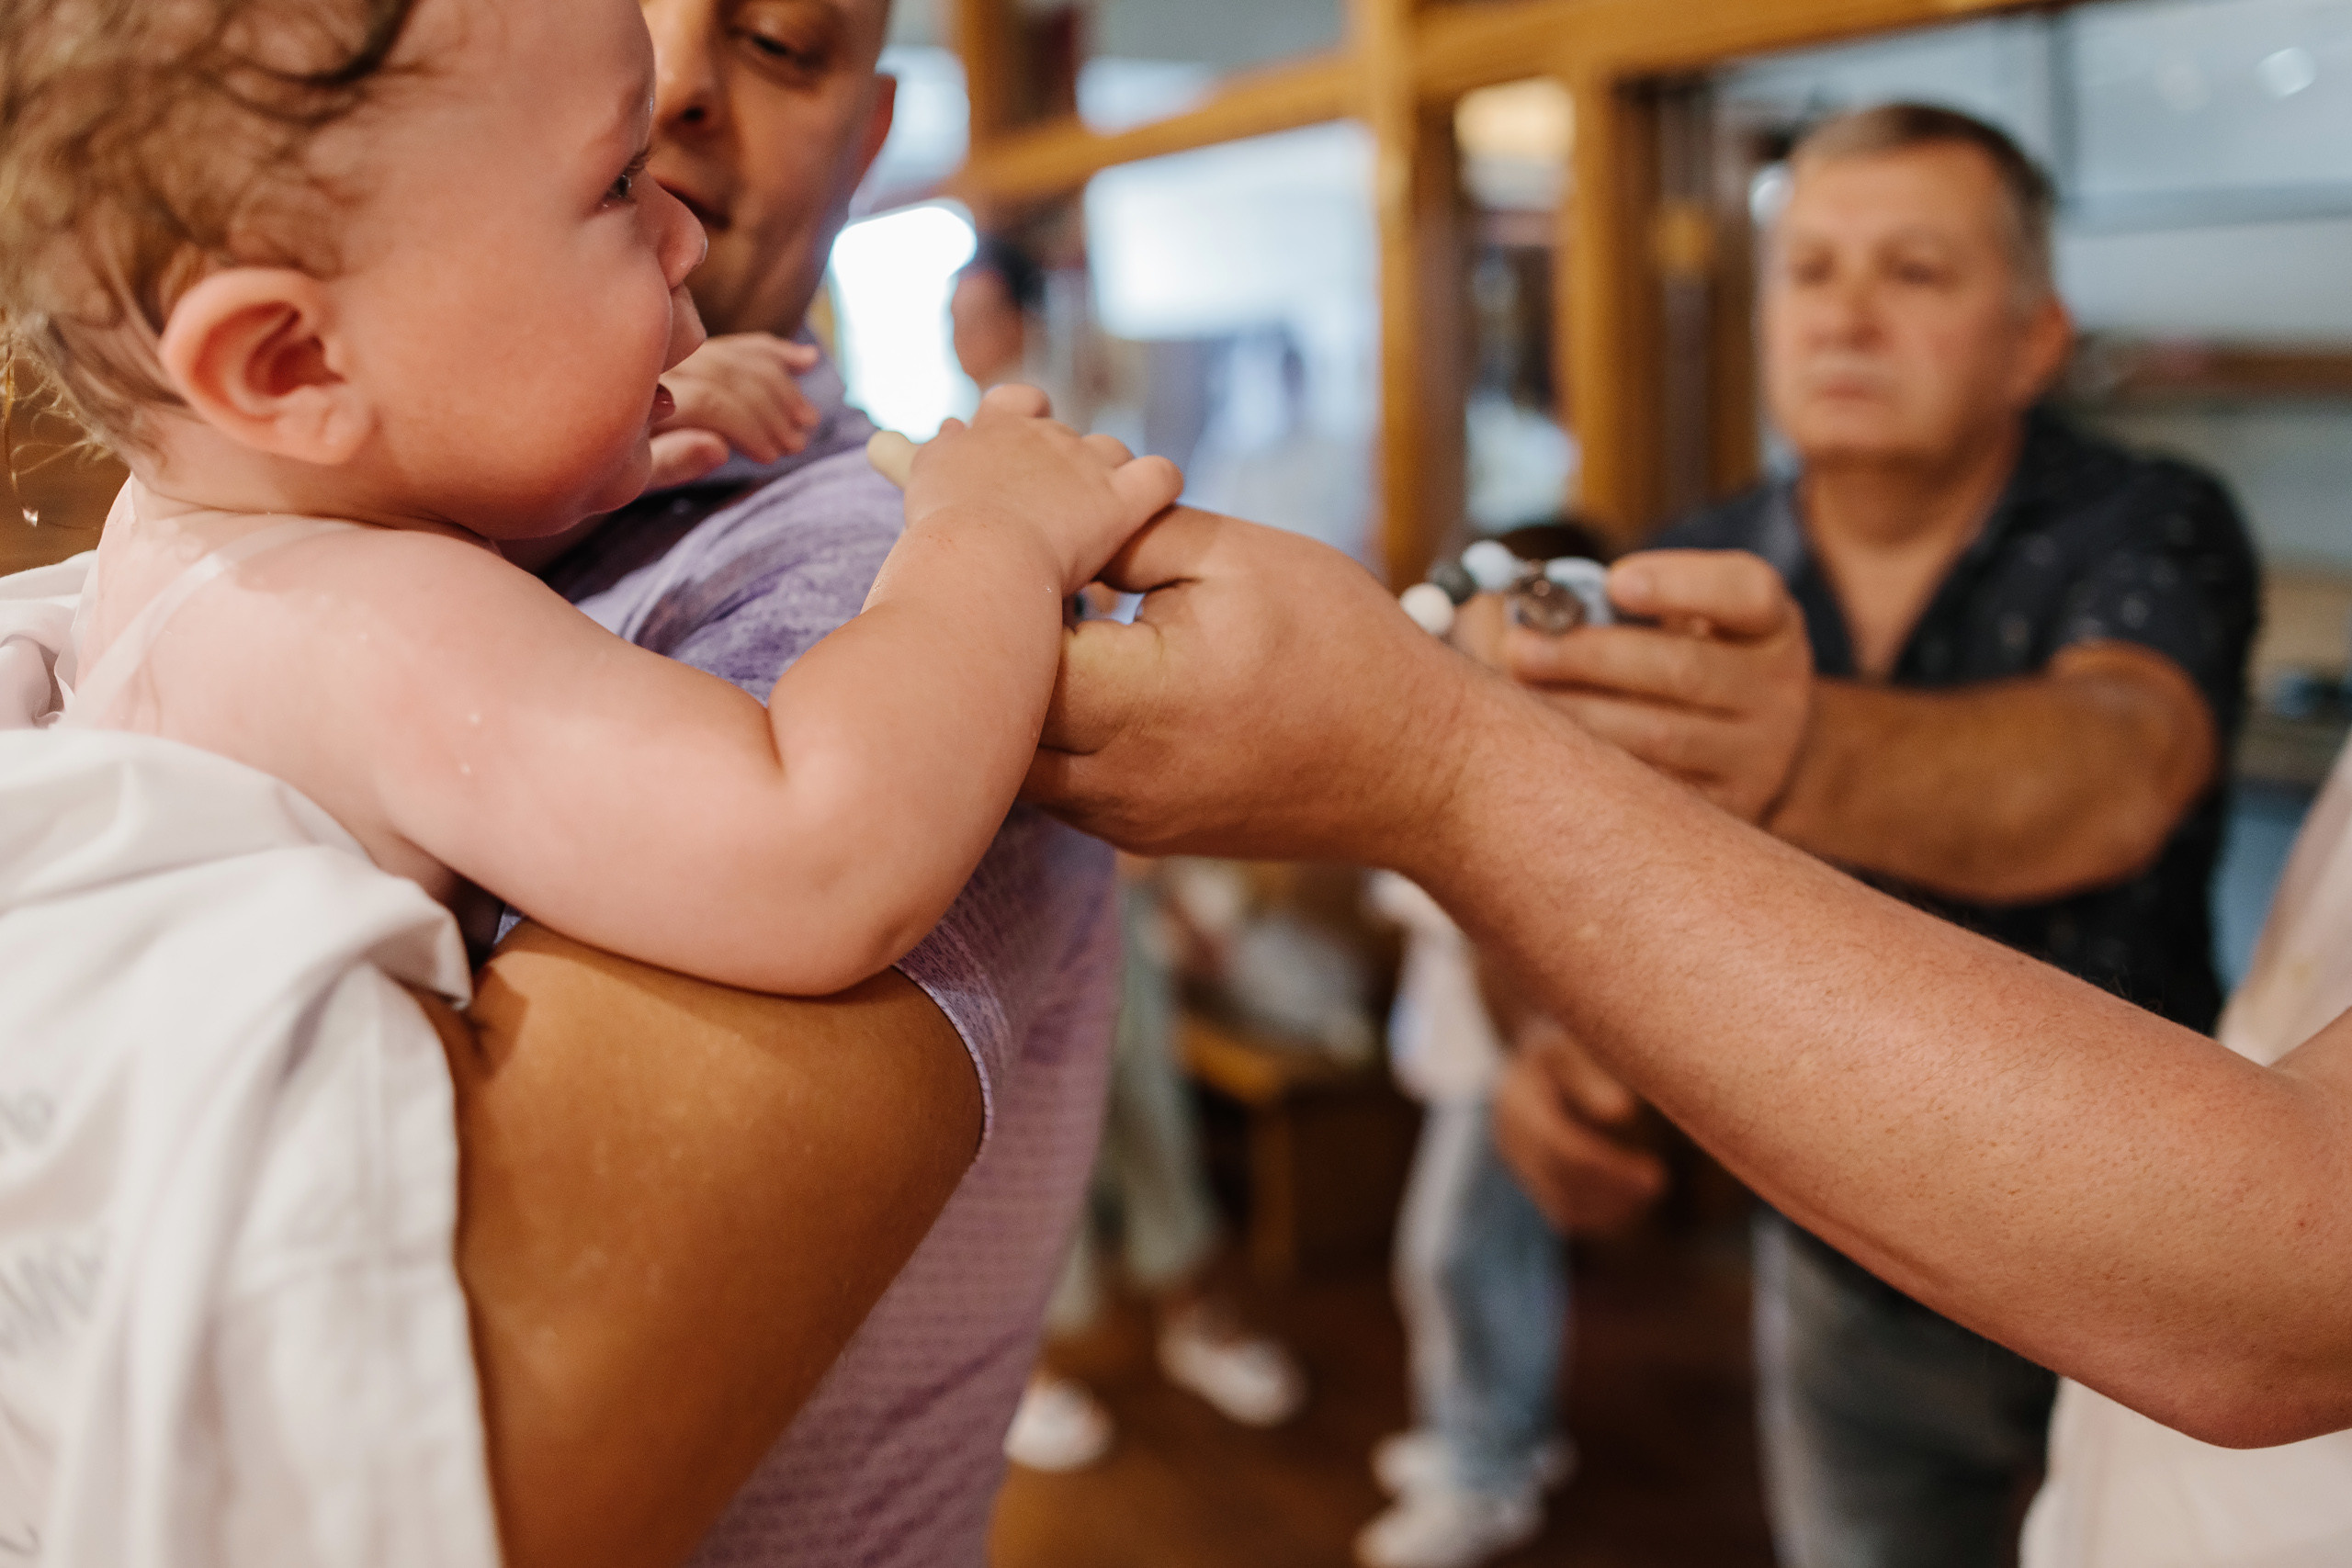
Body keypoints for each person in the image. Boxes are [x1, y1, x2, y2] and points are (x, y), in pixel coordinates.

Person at [7, 3, 1147, 1567]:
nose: (675, 219)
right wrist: (988, 538)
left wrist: (627, 426)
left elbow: (429, 448)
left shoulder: (176, 533)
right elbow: (816, 843)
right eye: (614, 189)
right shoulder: (388, 633)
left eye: (775, 41)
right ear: (286, 359)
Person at [1482, 103, 2260, 1568]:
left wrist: (1788, 749)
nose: (1846, 315)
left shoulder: (2147, 521)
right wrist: (1543, 1039)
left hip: (2156, 1251)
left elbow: (2116, 770)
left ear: (2034, 337)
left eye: (1914, 272)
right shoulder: (1686, 559)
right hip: (1842, 1248)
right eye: (1811, 270)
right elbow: (1577, 870)